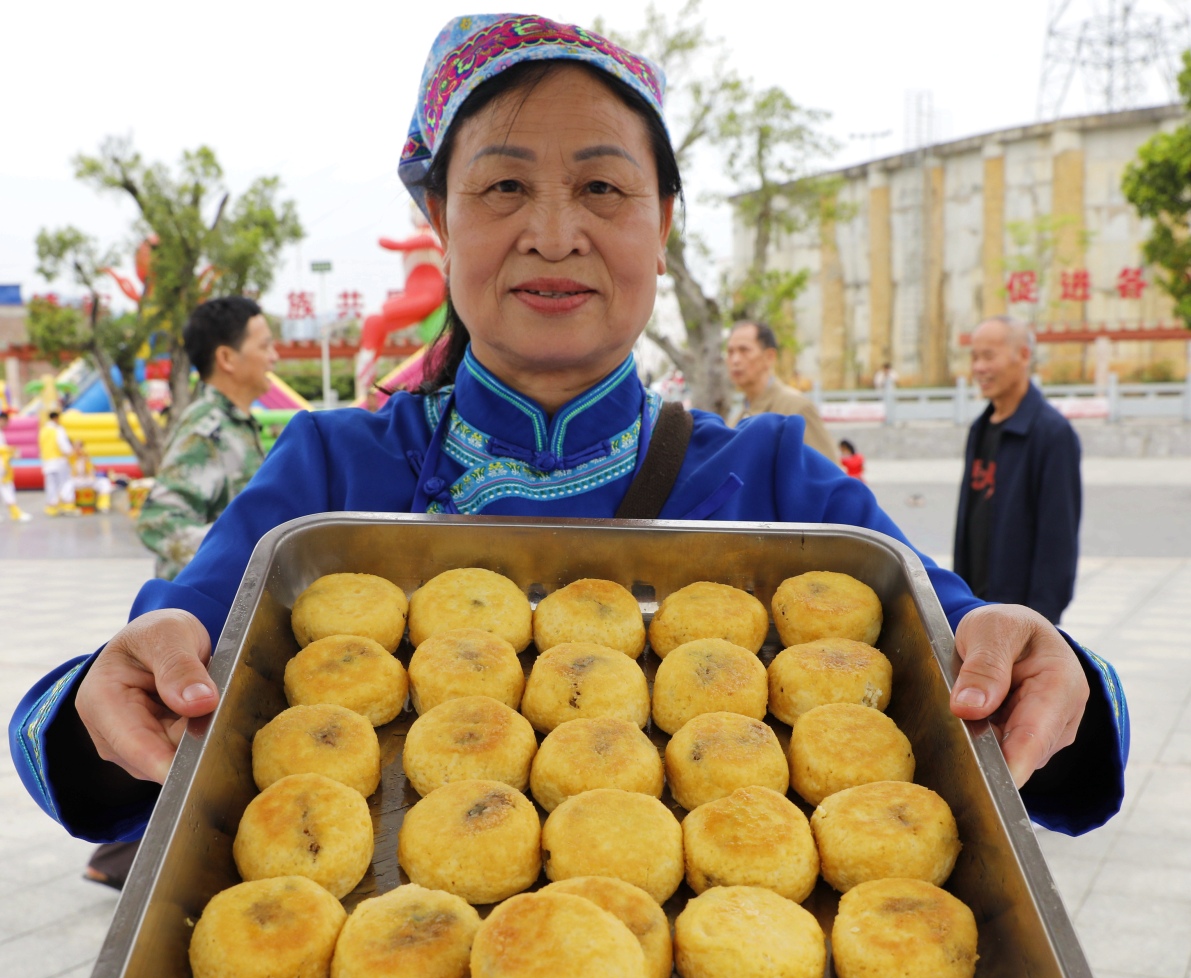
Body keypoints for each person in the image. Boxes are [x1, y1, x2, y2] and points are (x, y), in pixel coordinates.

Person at [10, 14, 1126, 882]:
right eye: (502, 187)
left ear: (662, 223)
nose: (554, 232)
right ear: (439, 223)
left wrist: (1034, 656)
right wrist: (103, 692)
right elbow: (146, 687)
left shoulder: (778, 480)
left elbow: (972, 659)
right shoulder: (331, 477)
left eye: (602, 185)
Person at [953, 316, 1081, 626]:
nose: (979, 368)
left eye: (988, 356)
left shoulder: (1052, 434)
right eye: (974, 357)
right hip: (976, 611)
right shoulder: (980, 429)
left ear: (1023, 356)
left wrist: (1041, 624)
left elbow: (1058, 542)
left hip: (1022, 620)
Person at [136, 296, 273, 580]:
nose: (274, 357)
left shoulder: (235, 423)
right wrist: (245, 554)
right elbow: (158, 521)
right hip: (202, 614)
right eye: (264, 346)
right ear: (226, 358)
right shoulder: (207, 428)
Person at [724, 320, 839, 463]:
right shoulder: (735, 418)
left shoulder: (796, 409)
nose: (735, 360)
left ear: (769, 357)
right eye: (730, 352)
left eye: (744, 350)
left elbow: (829, 473)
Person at [38, 410, 76, 516]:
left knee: (51, 485)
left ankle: (52, 507)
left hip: (47, 462)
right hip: (59, 460)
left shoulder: (43, 431)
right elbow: (64, 445)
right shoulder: (58, 429)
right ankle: (67, 505)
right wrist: (71, 453)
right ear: (56, 418)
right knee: (66, 482)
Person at [61, 439, 113, 513]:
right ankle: (68, 507)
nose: (78, 449)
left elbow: (92, 472)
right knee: (67, 485)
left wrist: (87, 461)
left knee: (104, 482)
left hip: (88, 480)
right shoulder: (70, 458)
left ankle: (103, 505)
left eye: (80, 446)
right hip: (76, 480)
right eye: (76, 446)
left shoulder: (87, 457)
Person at [0, 412, 32, 522]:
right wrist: (12, 450)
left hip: (4, 463)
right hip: (2, 465)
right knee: (6, 487)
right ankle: (15, 512)